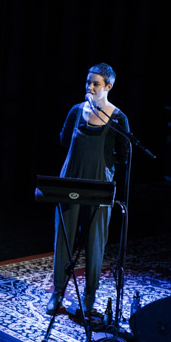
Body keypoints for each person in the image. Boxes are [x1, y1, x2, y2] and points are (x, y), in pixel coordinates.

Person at [47, 63, 130, 317]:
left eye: (95, 83)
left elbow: (124, 155)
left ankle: (89, 297)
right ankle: (58, 293)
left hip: (99, 186)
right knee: (63, 238)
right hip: (71, 180)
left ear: (109, 86)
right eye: (88, 82)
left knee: (95, 242)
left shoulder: (117, 118)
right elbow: (63, 140)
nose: (90, 87)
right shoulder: (76, 111)